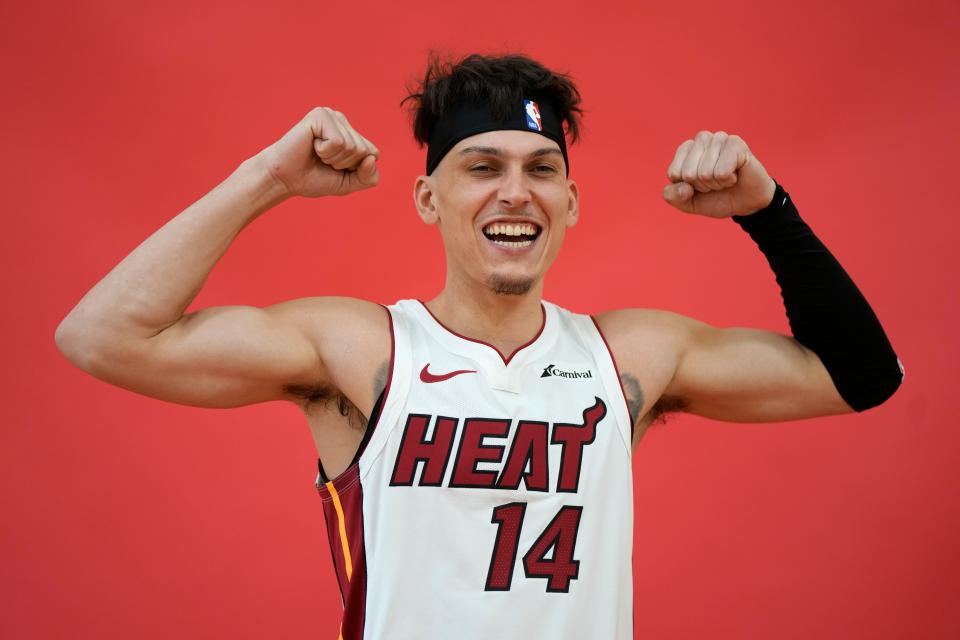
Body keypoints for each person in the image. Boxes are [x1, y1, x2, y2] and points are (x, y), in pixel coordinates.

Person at [55, 53, 903, 639]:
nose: (516, 192)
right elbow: (102, 336)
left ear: (572, 201)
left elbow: (863, 376)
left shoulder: (631, 359)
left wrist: (768, 211)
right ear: (427, 198)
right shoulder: (358, 350)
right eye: (482, 166)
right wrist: (266, 179)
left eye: (542, 169)